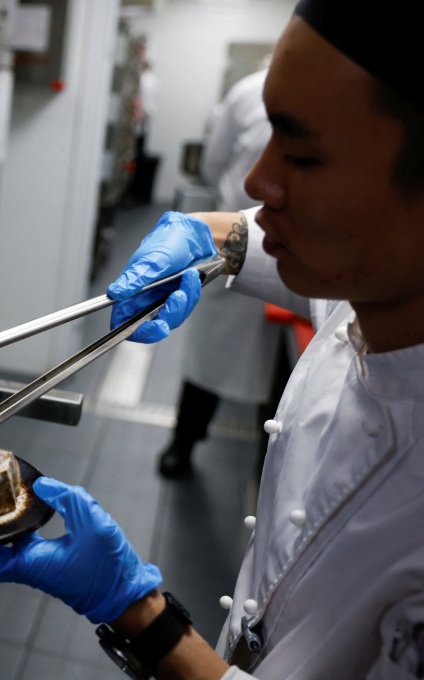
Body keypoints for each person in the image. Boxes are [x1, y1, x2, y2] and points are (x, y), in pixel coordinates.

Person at [0, 1, 424, 677]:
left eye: (301, 155)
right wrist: (208, 235)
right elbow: (262, 233)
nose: (255, 180)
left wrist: (136, 610)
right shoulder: (375, 283)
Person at [158, 66, 283, 478]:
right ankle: (183, 442)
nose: (262, 179)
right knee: (210, 357)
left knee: (285, 386)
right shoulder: (249, 90)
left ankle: (268, 471)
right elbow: (213, 165)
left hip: (295, 252)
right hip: (236, 241)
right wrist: (218, 232)